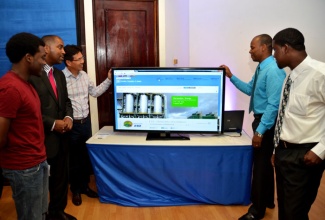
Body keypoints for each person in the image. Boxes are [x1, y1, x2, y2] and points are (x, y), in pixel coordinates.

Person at [220, 34, 286, 220]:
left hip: (266, 123)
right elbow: (250, 89)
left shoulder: (273, 70)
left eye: (252, 47)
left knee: (259, 167)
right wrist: (230, 76)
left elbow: (274, 105)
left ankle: (256, 211)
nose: (250, 51)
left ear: (264, 47)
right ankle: (267, 201)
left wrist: (260, 130)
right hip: (261, 121)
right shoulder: (261, 68)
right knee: (264, 165)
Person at [272, 28, 325, 220]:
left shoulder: (320, 74)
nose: (274, 56)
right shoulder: (291, 76)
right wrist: (276, 150)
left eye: (275, 50)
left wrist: (320, 150)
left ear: (286, 48)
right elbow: (286, 116)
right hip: (284, 153)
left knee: (295, 212)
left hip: (305, 155)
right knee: (285, 210)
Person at [0, 32, 48, 220]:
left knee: (40, 214)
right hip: (24, 169)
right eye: (42, 57)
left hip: (37, 163)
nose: (45, 63)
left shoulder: (26, 84)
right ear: (28, 57)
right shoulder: (10, 88)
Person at [29, 35, 77, 220]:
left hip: (63, 138)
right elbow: (29, 112)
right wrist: (52, 123)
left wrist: (68, 117)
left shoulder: (59, 75)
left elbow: (66, 101)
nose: (64, 51)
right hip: (42, 140)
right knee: (40, 186)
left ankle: (57, 212)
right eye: (60, 47)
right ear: (46, 49)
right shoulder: (32, 75)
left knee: (60, 180)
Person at [62, 44, 111, 206]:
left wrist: (109, 79)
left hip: (85, 123)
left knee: (84, 158)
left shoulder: (84, 75)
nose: (83, 61)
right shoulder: (61, 79)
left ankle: (84, 187)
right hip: (71, 126)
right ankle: (75, 190)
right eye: (79, 59)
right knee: (74, 160)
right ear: (68, 62)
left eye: (82, 57)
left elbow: (95, 92)